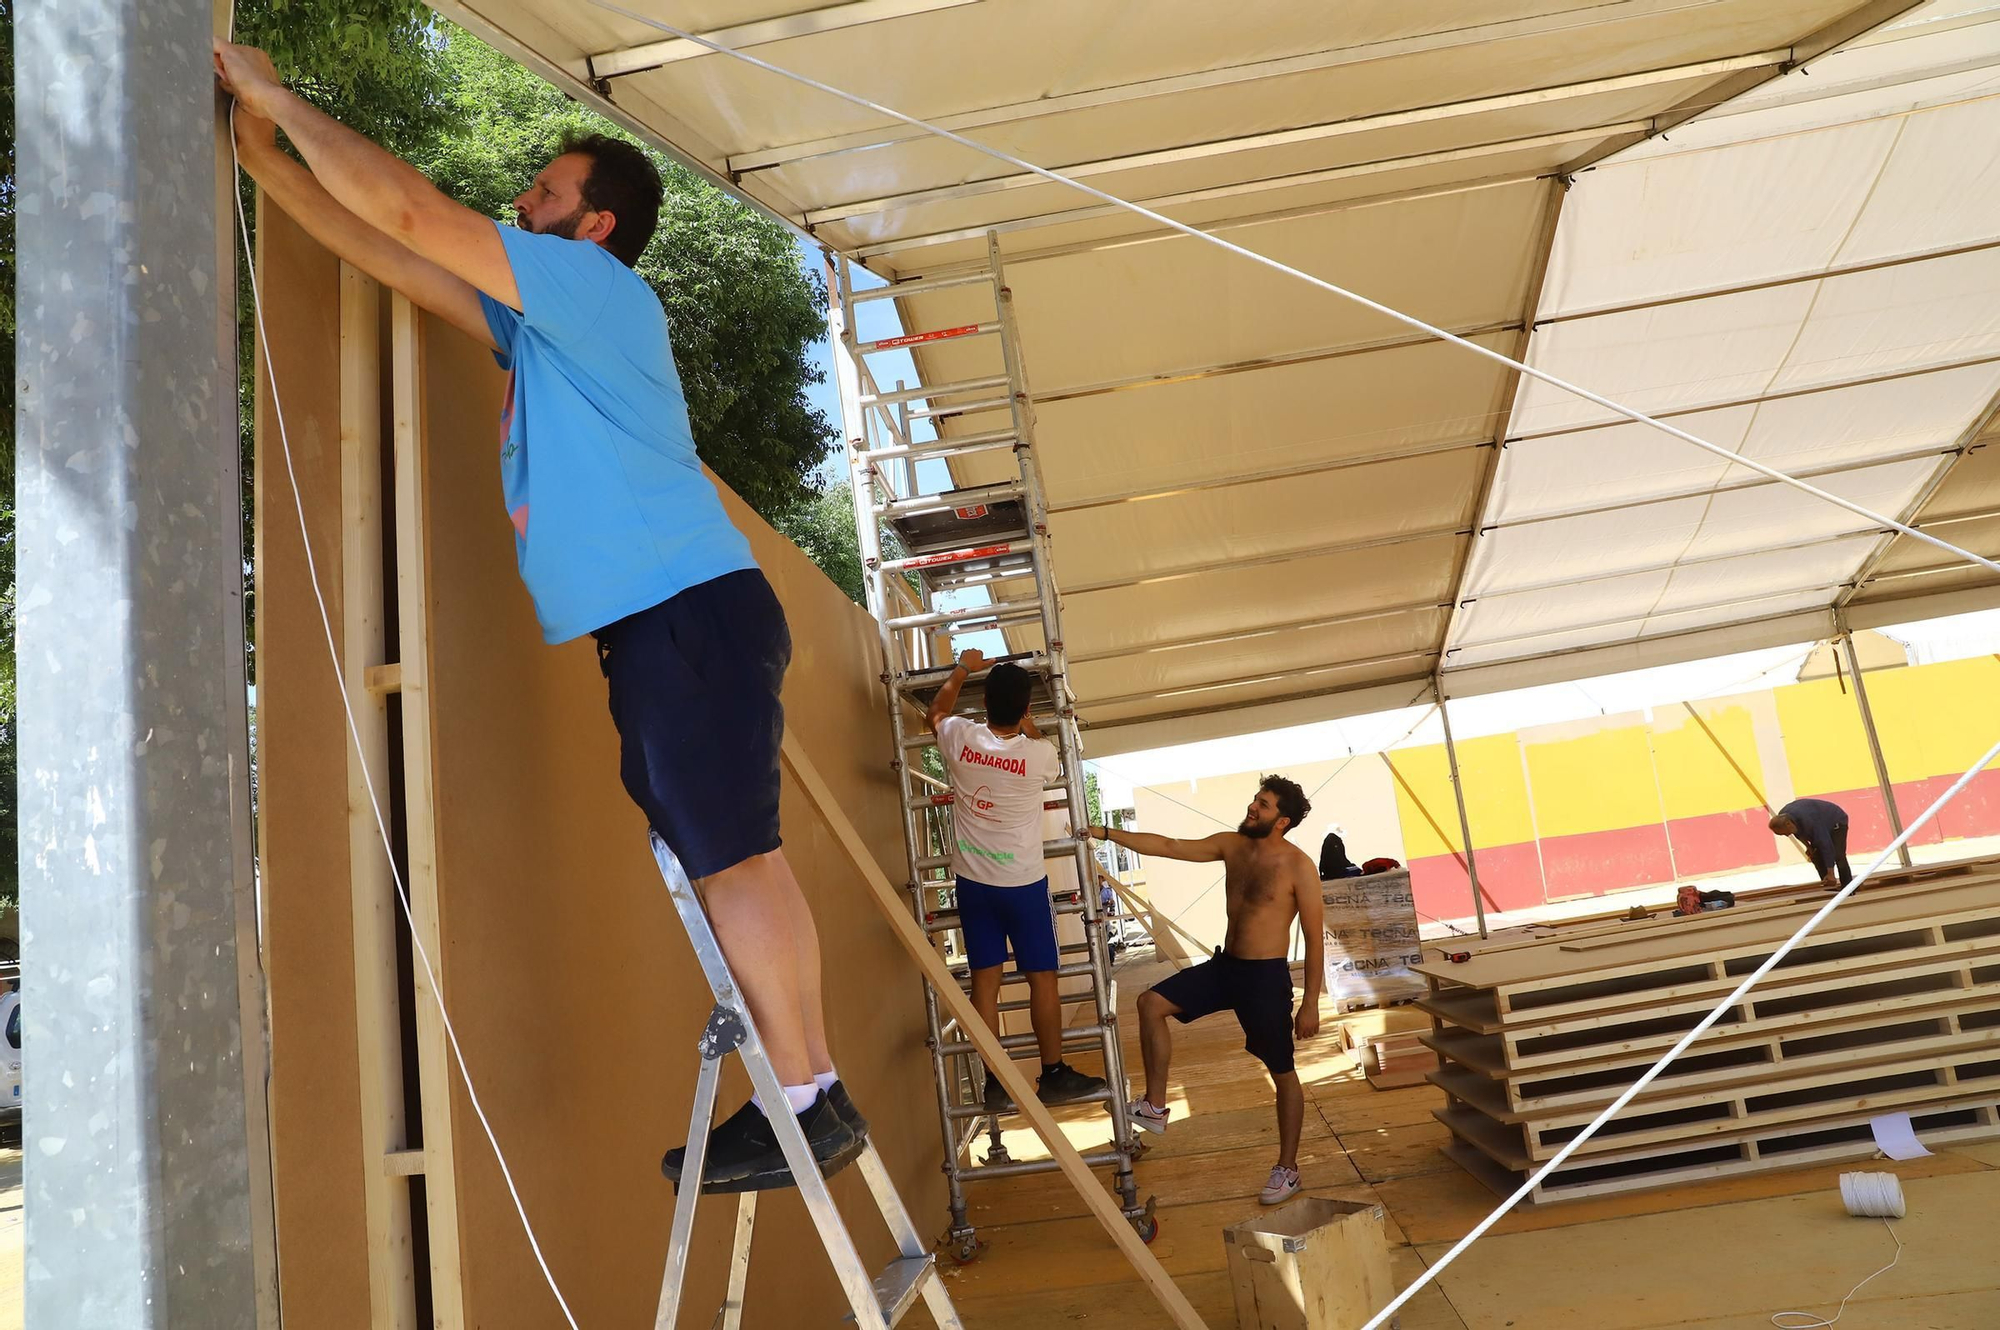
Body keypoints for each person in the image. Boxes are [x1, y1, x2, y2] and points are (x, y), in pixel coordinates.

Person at [215, 41, 862, 1192]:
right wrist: (269, 171)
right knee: (732, 858)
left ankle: (805, 1095)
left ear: (595, 224)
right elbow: (395, 255)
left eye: (547, 193)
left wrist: (274, 95)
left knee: (734, 859)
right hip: (672, 619)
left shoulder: (590, 287)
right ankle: (812, 1092)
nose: (523, 201)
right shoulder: (550, 326)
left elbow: (414, 212)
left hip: (680, 612)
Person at [1087, 776, 1324, 1205]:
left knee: (1282, 1072)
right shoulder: (1231, 845)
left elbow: (1313, 935)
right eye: (1255, 799)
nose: (1253, 807)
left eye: (1264, 805)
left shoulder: (1298, 865)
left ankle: (1288, 1168)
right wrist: (1103, 832)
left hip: (1266, 978)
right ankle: (1155, 1106)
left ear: (1282, 820)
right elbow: (1170, 846)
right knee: (1150, 1002)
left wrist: (1310, 1003)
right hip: (1225, 967)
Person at [929, 650, 1107, 1112]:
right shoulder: (1039, 754)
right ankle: (1052, 1074)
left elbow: (936, 711)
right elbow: (1047, 753)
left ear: (984, 702)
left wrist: (963, 667)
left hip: (974, 884)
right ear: (1027, 708)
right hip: (1024, 885)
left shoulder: (961, 738)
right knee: (1042, 979)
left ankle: (995, 1081)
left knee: (985, 984)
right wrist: (1029, 726)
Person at [1771, 798, 1853, 887]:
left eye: (1785, 833)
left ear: (1788, 824)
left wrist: (1831, 872)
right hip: (1817, 820)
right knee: (1815, 854)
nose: (1787, 835)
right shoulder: (1785, 818)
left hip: (1835, 820)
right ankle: (1828, 883)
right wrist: (1808, 847)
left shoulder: (1809, 820)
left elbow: (1826, 845)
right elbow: (1797, 833)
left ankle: (1848, 886)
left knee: (1838, 855)